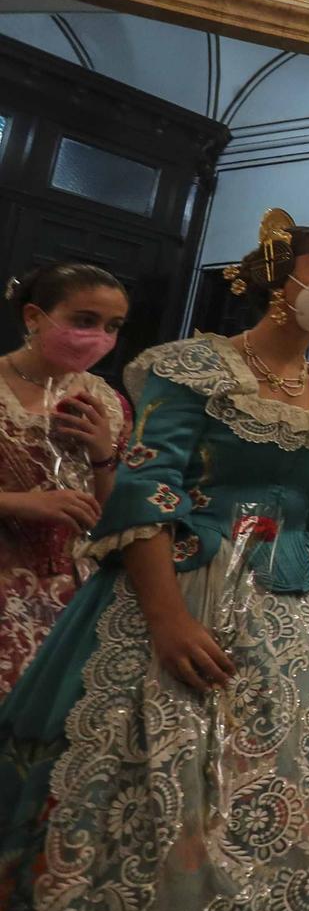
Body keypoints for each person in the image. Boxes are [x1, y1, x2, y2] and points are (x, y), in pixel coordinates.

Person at [0, 211, 309, 911]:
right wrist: (168, 620)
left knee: (301, 784)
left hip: (302, 608)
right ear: (279, 275)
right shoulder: (190, 367)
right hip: (191, 582)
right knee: (171, 781)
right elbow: (148, 489)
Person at [0, 263, 127, 700]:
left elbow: (118, 517)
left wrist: (103, 454)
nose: (99, 337)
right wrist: (20, 503)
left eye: (112, 326)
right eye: (84, 321)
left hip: (77, 601)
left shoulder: (109, 402)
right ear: (34, 317)